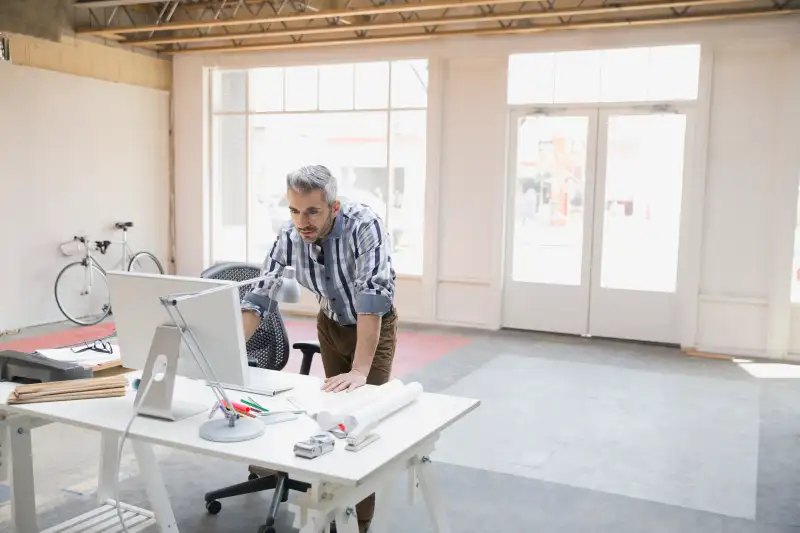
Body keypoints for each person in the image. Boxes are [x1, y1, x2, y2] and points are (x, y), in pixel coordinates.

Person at [240, 164, 398, 533]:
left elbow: (371, 301)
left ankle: (359, 522)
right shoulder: (289, 236)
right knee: (333, 416)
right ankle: (330, 507)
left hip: (372, 324)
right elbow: (259, 297)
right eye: (295, 211)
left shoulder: (364, 225)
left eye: (312, 211)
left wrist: (360, 370)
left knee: (360, 422)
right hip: (330, 323)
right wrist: (228, 350)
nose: (302, 221)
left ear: (334, 207)